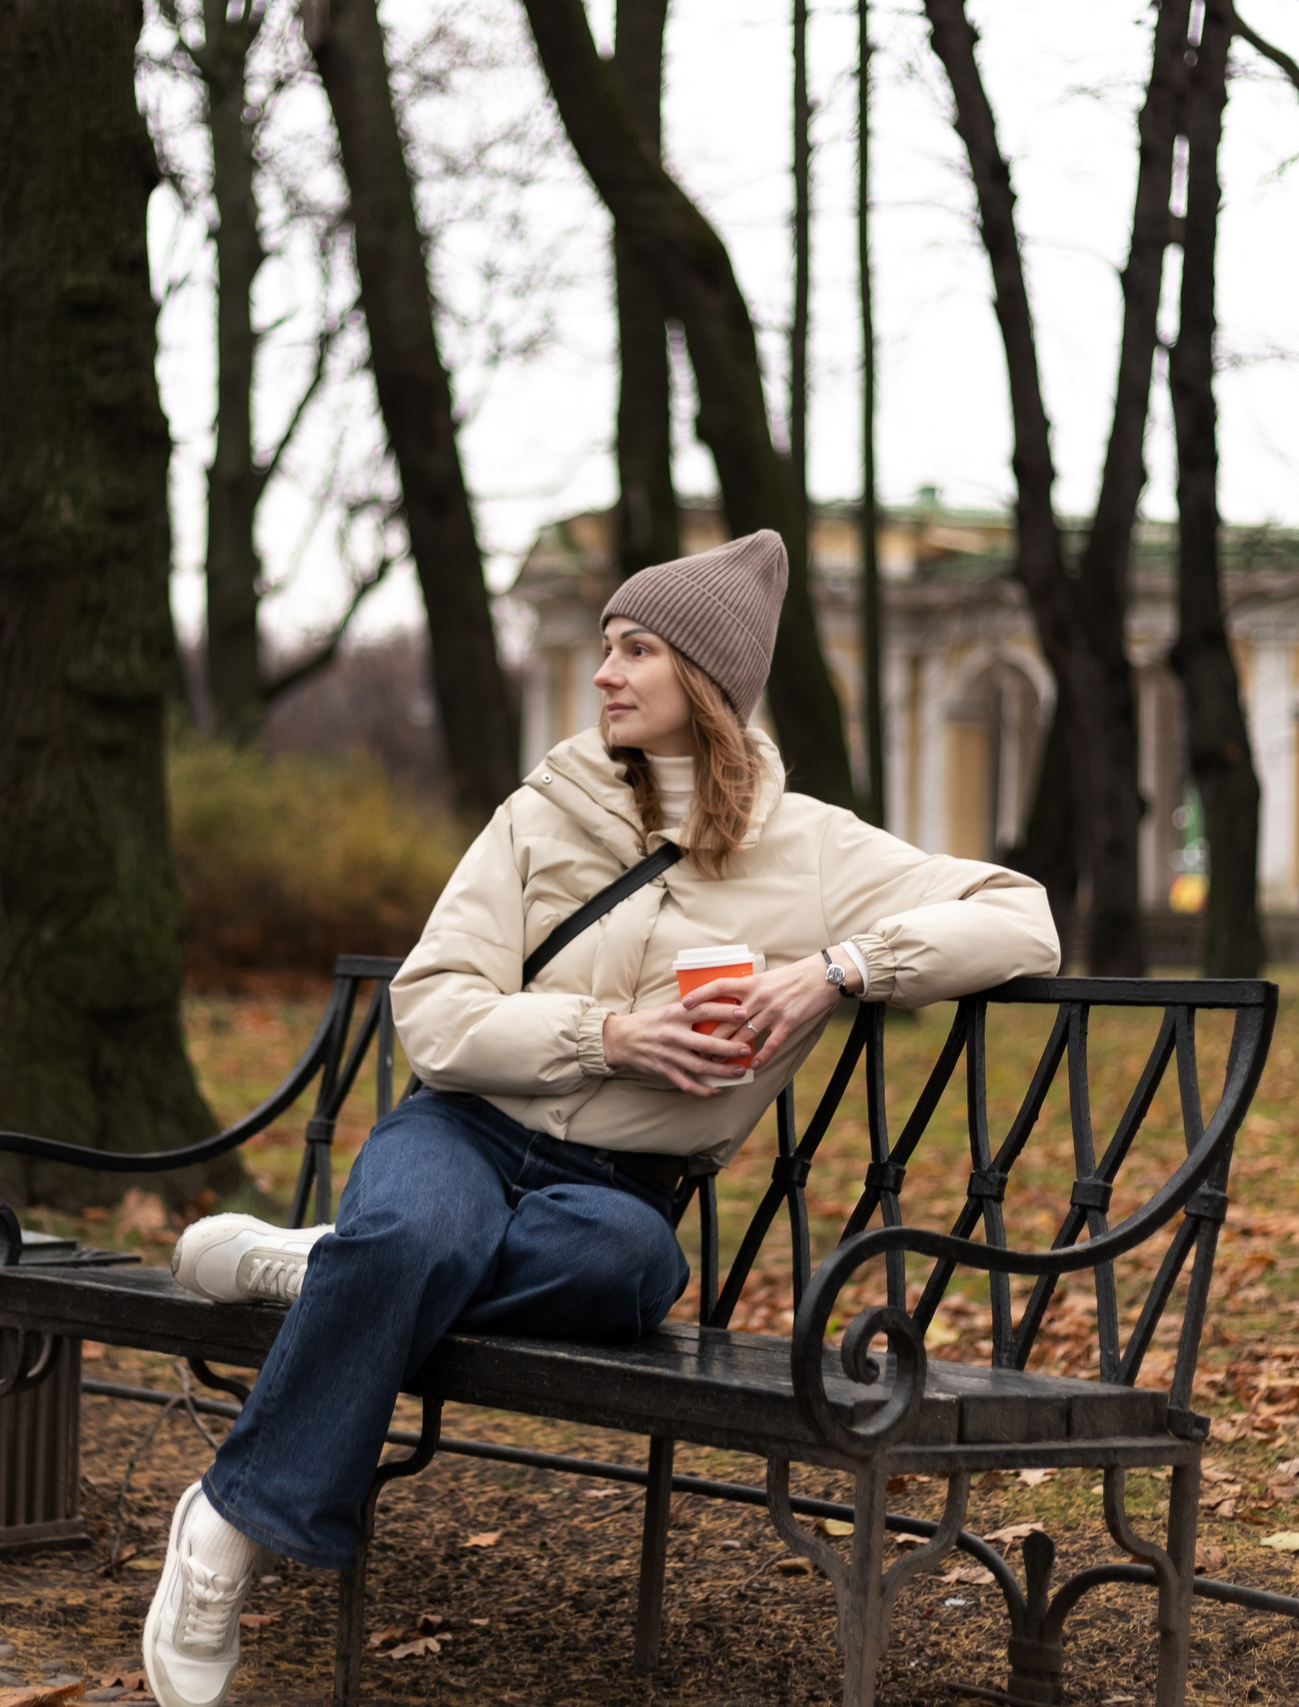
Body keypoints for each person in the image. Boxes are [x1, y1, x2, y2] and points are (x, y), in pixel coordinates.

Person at [138, 529, 1062, 1707]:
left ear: (706, 683)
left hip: (618, 1189)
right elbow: (432, 1008)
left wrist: (838, 969)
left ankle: (347, 1269)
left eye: (636, 650)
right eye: (607, 647)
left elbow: (1021, 916)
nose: (604, 673)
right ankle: (230, 1524)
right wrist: (603, 1035)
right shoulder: (541, 814)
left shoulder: (814, 848)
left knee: (627, 1270)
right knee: (423, 1223)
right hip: (464, 1127)